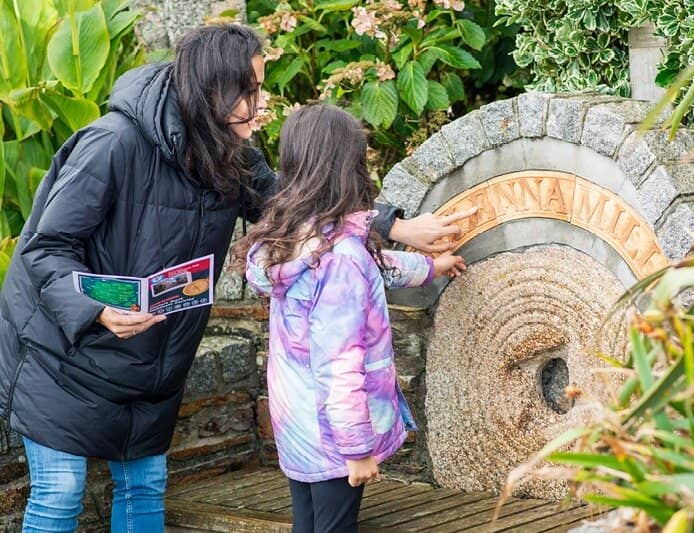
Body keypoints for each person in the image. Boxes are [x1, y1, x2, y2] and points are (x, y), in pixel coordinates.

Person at [0, 24, 472, 533]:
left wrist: (393, 226)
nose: (260, 103)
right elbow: (44, 248)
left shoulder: (231, 154)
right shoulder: (112, 144)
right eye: (250, 90)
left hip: (148, 355)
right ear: (212, 91)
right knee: (60, 493)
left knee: (144, 487)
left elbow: (301, 209)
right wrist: (95, 308)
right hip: (62, 353)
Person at [236, 104, 467, 533]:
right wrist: (358, 449)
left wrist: (430, 267)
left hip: (300, 428)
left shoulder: (296, 238)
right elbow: (338, 364)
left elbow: (372, 264)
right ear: (346, 167)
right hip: (335, 438)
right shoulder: (340, 258)